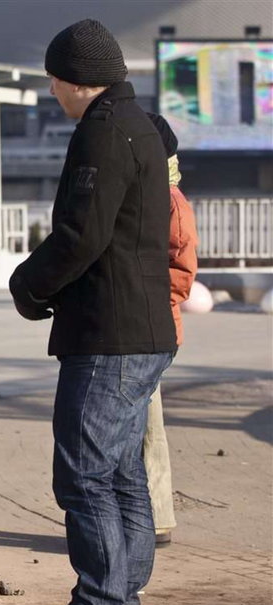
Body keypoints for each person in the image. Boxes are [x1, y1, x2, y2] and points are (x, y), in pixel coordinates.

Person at [8, 19, 176, 605]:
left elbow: (82, 235)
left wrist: (28, 284)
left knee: (82, 474)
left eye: (55, 79)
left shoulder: (102, 134)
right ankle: (120, 601)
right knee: (122, 472)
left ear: (73, 80)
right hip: (143, 329)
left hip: (109, 335)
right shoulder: (141, 127)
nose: (53, 90)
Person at [143, 113, 198, 549]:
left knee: (146, 425)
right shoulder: (155, 196)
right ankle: (150, 516)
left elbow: (181, 275)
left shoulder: (170, 202)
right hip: (148, 325)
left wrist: (147, 305)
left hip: (152, 329)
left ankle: (156, 517)